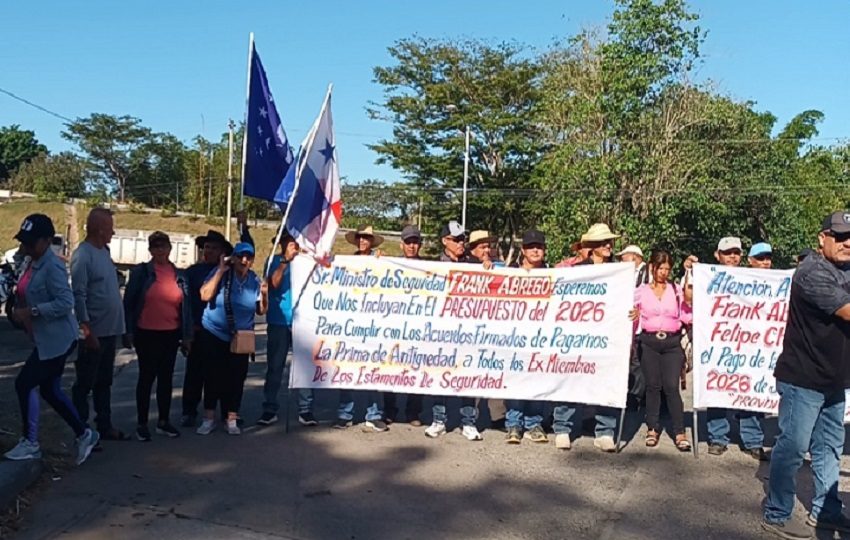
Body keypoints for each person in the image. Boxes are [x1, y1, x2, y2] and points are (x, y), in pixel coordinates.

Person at [762, 212, 850, 539]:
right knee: (793, 447)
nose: (847, 243)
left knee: (829, 448)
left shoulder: (845, 269)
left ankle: (826, 511)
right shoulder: (811, 272)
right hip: (803, 379)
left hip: (833, 378)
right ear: (821, 238)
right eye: (839, 236)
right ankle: (777, 513)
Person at [3, 214, 100, 464]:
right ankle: (84, 434)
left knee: (24, 384)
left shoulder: (52, 266)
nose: (26, 246)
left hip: (58, 341)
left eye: (31, 242)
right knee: (50, 390)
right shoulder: (30, 261)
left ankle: (31, 442)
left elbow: (65, 302)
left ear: (47, 241)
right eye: (24, 241)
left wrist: (32, 312)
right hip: (45, 340)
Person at [692, 237, 769, 460]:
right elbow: (690, 299)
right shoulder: (708, 277)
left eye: (736, 252)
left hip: (750, 345)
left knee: (750, 390)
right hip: (718, 344)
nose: (733, 256)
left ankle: (753, 440)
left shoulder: (753, 279)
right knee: (718, 390)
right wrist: (689, 271)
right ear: (718, 255)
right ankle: (717, 438)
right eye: (728, 253)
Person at [552, 223, 621, 452]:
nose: (609, 246)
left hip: (606, 337)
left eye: (609, 242)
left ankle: (605, 431)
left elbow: (624, 302)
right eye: (603, 243)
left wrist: (632, 312)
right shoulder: (576, 271)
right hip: (578, 336)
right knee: (571, 380)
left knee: (606, 383)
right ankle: (562, 428)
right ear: (591, 247)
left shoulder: (620, 272)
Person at [122, 232, 192, 441]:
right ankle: (142, 423)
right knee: (146, 377)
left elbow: (186, 307)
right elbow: (129, 303)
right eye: (156, 247)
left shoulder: (179, 275)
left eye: (163, 246)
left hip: (170, 334)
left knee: (166, 379)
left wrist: (187, 336)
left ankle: (163, 421)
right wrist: (128, 331)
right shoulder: (142, 273)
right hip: (146, 333)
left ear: (170, 249)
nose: (160, 251)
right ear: (150, 250)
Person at [196, 242, 268, 435]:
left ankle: (231, 417)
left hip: (240, 337)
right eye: (241, 256)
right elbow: (204, 295)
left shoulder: (254, 280)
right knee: (212, 376)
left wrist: (264, 294)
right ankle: (208, 417)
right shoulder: (221, 274)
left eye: (249, 257)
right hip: (214, 332)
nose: (244, 260)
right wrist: (219, 271)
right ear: (233, 257)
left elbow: (261, 310)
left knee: (236, 378)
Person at [71, 208, 128, 441]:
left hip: (109, 332)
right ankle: (81, 430)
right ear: (100, 229)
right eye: (110, 227)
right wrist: (86, 330)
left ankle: (104, 426)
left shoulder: (104, 252)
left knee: (104, 381)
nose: (113, 232)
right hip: (92, 334)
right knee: (85, 383)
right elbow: (78, 295)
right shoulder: (83, 256)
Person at [425, 220, 484, 441]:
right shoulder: (433, 267)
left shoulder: (474, 266)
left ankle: (468, 422)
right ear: (444, 241)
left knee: (467, 377)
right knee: (441, 376)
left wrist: (488, 267)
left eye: (463, 239)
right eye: (456, 239)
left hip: (468, 333)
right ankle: (439, 420)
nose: (461, 243)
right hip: (441, 332)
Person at [633, 249, 692, 452]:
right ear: (652, 267)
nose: (664, 272)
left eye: (667, 269)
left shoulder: (675, 290)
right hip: (649, 341)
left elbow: (686, 313)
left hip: (671, 342)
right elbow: (632, 311)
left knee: (671, 386)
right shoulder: (641, 290)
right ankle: (652, 427)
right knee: (653, 386)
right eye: (661, 268)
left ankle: (679, 431)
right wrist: (633, 315)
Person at [258, 234, 317, 427]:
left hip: (304, 321)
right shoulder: (273, 261)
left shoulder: (308, 262)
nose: (292, 245)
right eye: (288, 241)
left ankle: (305, 409)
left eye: (295, 242)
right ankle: (269, 408)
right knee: (275, 366)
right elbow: (273, 285)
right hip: (279, 321)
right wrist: (285, 262)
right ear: (281, 244)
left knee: (305, 366)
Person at [334, 224, 387, 431]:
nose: (363, 241)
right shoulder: (347, 263)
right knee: (347, 370)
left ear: (372, 242)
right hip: (351, 325)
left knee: (373, 370)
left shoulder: (380, 262)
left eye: (367, 238)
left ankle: (373, 414)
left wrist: (383, 263)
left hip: (374, 325)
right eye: (361, 238)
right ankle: (345, 413)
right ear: (356, 241)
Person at [181, 230, 232, 426]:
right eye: (206, 247)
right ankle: (189, 410)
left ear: (222, 252)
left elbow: (246, 251)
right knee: (195, 373)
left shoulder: (228, 272)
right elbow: (186, 303)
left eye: (213, 248)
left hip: (221, 332)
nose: (208, 251)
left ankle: (220, 410)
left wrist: (243, 227)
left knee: (221, 374)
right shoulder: (192, 272)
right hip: (199, 330)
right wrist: (187, 331)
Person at [504, 230, 548, 444]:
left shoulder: (555, 274)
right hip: (515, 336)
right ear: (523, 250)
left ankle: (534, 423)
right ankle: (513, 423)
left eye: (539, 246)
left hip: (542, 338)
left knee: (537, 380)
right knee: (515, 380)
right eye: (531, 246)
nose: (536, 250)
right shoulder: (510, 273)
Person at [382, 225, 425, 426]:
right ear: (401, 244)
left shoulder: (429, 267)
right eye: (408, 242)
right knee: (390, 369)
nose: (412, 246)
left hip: (419, 329)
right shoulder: (392, 264)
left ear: (420, 245)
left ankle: (413, 413)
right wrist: (377, 261)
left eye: (415, 242)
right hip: (395, 327)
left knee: (416, 369)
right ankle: (389, 411)